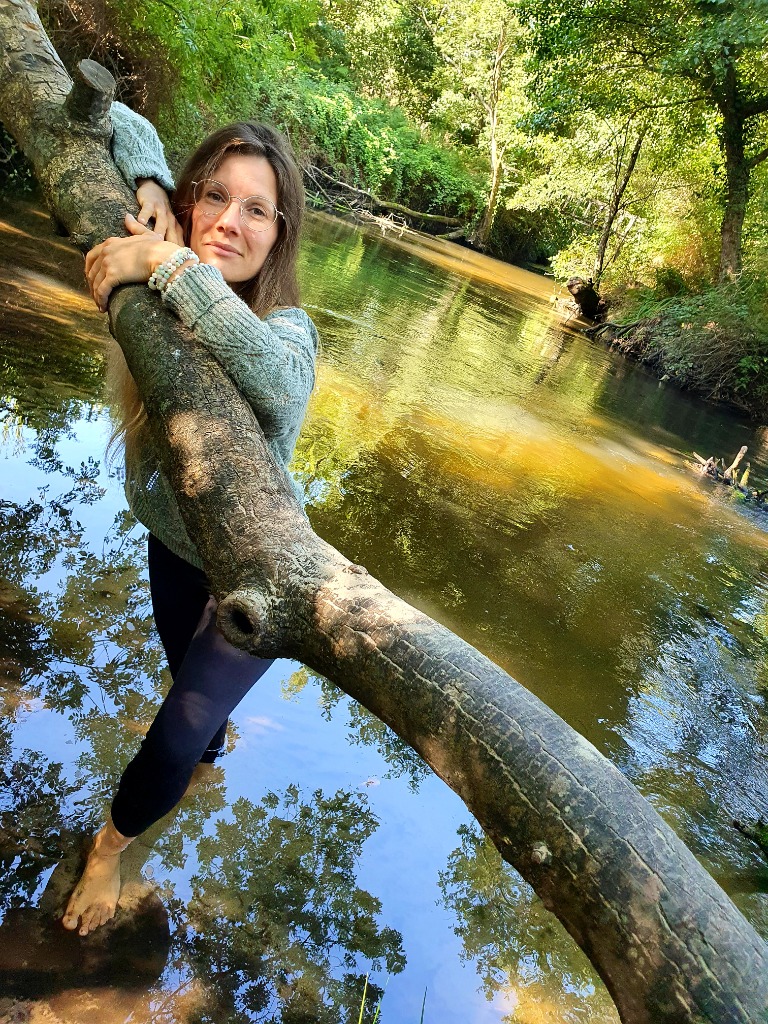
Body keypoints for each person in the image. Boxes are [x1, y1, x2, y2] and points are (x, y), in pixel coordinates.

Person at [61, 104, 318, 936]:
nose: (230, 223)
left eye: (257, 210)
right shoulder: (171, 233)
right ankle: (208, 754)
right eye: (216, 197)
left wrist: (164, 259)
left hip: (256, 578)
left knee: (177, 735)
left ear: (279, 236)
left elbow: (277, 382)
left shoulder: (288, 326)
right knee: (189, 705)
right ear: (192, 196)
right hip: (172, 547)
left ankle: (109, 847)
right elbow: (126, 118)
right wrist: (149, 188)